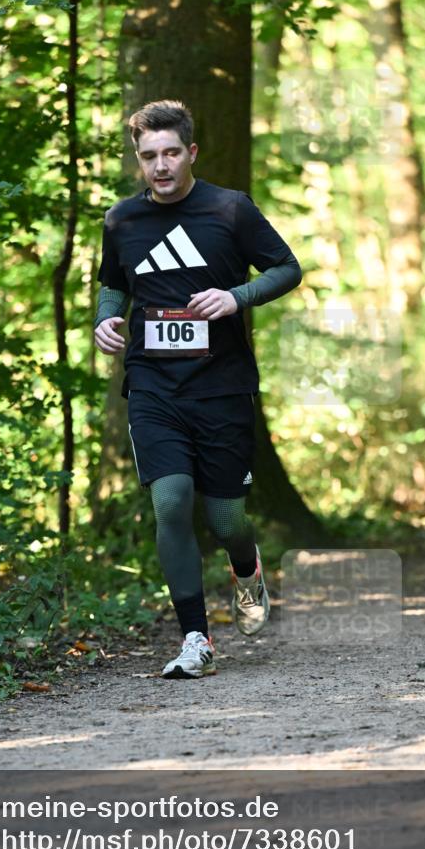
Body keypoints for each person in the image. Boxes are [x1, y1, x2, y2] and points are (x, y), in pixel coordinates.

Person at [94, 99, 302, 679]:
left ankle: (246, 568)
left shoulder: (230, 209)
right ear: (138, 160)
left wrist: (238, 297)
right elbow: (113, 285)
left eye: (169, 153)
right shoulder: (122, 221)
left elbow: (288, 269)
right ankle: (196, 638)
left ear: (191, 152)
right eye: (148, 157)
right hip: (154, 385)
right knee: (171, 500)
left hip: (223, 385)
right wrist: (105, 320)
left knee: (227, 519)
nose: (160, 166)